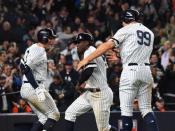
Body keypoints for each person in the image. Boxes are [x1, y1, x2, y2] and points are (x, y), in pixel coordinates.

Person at [77, 9, 159, 131]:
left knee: (126, 111)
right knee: (146, 109)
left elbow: (106, 46)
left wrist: (86, 59)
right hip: (146, 71)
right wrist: (121, 56)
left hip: (130, 72)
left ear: (126, 19)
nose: (122, 23)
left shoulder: (125, 30)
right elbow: (137, 52)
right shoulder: (149, 32)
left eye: (123, 21)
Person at [64, 33, 116, 131]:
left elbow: (89, 71)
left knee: (104, 129)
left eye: (79, 42)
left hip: (100, 94)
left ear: (87, 42)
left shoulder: (90, 51)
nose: (77, 44)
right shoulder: (91, 51)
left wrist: (79, 84)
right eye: (76, 42)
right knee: (70, 113)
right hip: (90, 93)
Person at [20, 28, 60, 131]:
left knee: (43, 118)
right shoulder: (39, 51)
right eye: (51, 38)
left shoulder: (32, 47)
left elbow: (22, 65)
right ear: (45, 39)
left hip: (28, 87)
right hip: (34, 87)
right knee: (54, 114)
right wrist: (37, 88)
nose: (53, 41)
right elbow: (26, 69)